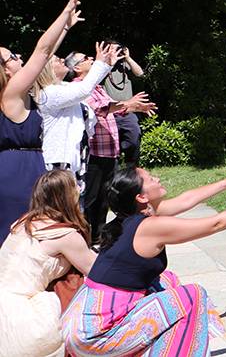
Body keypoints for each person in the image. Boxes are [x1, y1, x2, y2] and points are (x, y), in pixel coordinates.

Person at [62, 163, 226, 357]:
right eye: (149, 178)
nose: (156, 178)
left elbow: (187, 199)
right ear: (142, 197)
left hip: (82, 322)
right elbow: (216, 223)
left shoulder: (130, 218)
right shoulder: (150, 226)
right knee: (192, 296)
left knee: (167, 280)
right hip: (96, 334)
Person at [1, 0, 82, 247]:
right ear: (5, 71)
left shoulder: (14, 93)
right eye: (12, 56)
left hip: (22, 169)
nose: (19, 56)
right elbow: (42, 51)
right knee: (23, 238)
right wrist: (66, 7)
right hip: (19, 176)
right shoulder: (10, 94)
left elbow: (46, 55)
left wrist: (66, 25)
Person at [0, 169, 97, 357]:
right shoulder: (65, 235)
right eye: (74, 185)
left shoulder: (22, 223)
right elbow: (96, 270)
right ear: (65, 196)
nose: (78, 188)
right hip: (21, 316)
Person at [65, 48, 157, 243]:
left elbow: (114, 108)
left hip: (109, 152)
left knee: (103, 198)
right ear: (77, 67)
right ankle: (84, 239)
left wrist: (135, 107)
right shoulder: (78, 86)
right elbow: (98, 108)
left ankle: (98, 237)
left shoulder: (97, 86)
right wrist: (127, 103)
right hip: (95, 151)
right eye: (86, 58)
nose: (91, 59)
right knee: (90, 198)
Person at [34, 42, 120, 198]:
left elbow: (86, 88)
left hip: (73, 160)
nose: (62, 60)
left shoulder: (65, 87)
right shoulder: (49, 94)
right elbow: (84, 90)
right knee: (63, 206)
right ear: (47, 70)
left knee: (76, 205)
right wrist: (100, 63)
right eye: (57, 59)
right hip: (57, 163)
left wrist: (106, 65)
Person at [102, 41, 147, 165]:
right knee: (111, 143)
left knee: (134, 137)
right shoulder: (102, 67)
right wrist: (108, 61)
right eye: (113, 50)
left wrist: (128, 57)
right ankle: (112, 171)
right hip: (109, 112)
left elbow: (140, 74)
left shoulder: (125, 66)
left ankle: (131, 169)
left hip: (128, 111)